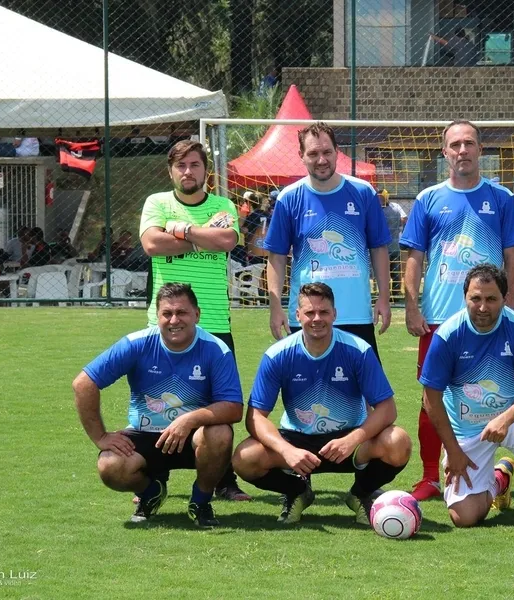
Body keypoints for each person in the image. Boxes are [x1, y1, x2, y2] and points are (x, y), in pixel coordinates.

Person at [400, 119, 514, 501]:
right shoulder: (428, 199)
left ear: (480, 150)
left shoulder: (501, 198)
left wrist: (512, 308)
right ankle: (429, 477)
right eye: (455, 145)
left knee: (502, 393)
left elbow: (512, 257)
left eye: (469, 143)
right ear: (444, 152)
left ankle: (503, 463)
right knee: (431, 397)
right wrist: (411, 306)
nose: (462, 151)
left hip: (492, 320)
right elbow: (414, 258)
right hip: (440, 319)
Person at [232, 283, 411, 525]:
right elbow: (255, 416)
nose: (317, 319)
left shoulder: (358, 350)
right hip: (297, 442)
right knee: (245, 458)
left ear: (334, 314)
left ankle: (360, 494)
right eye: (309, 313)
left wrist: (353, 439)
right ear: (297, 315)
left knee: (398, 442)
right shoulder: (278, 355)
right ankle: (297, 491)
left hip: (349, 442)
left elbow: (387, 409)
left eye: (324, 312)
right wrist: (286, 450)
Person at [72, 283, 243, 527]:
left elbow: (233, 407)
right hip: (145, 435)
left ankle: (201, 501)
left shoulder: (216, 349)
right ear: (157, 316)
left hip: (193, 438)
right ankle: (150, 493)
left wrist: (189, 420)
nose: (174, 320)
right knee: (109, 466)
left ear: (197, 314)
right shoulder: (136, 344)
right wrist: (100, 437)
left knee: (220, 433)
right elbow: (83, 384)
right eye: (167, 313)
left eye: (182, 312)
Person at [139, 139, 251, 502]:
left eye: (194, 165)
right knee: (159, 403)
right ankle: (156, 477)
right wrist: (204, 237)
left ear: (206, 171)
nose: (188, 172)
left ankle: (224, 481)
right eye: (181, 165)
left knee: (221, 405)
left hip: (214, 321)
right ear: (171, 170)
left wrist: (181, 230)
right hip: (165, 325)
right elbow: (153, 245)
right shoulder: (156, 203)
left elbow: (228, 240)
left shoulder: (223, 205)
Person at [419, 264, 514, 534]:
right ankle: (499, 480)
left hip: (511, 423)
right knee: (465, 517)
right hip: (467, 431)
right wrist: (454, 451)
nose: (483, 307)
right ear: (465, 297)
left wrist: (505, 419)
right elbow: (431, 399)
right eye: (476, 298)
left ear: (504, 299)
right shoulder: (448, 335)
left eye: (491, 299)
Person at [264, 122, 391, 359]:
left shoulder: (363, 192)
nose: (321, 160)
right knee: (304, 391)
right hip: (308, 315)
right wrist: (275, 307)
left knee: (363, 393)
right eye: (313, 153)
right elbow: (277, 257)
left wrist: (384, 297)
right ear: (301, 156)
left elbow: (378, 248)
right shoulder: (289, 198)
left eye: (326, 152)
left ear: (337, 152)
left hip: (356, 314)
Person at [378, 189, 407, 298]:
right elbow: (404, 219)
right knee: (395, 269)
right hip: (394, 242)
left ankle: (385, 292)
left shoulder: (378, 210)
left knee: (383, 271)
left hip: (382, 245)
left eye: (380, 197)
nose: (379, 199)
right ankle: (395, 292)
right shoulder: (396, 207)